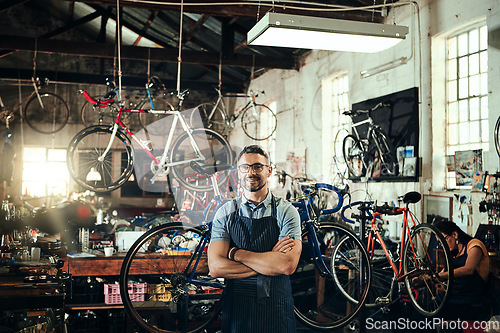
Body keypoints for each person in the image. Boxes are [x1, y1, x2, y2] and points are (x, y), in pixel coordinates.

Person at [208, 145, 302, 333]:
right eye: (245, 167)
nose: (251, 172)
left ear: (269, 171)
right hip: (238, 312)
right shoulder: (225, 213)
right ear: (238, 172)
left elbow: (286, 265)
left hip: (276, 309)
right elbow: (216, 267)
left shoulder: (286, 211)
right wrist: (269, 261)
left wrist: (237, 253)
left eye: (258, 167)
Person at [434, 220, 490, 321]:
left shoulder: (474, 245)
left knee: (429, 315)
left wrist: (439, 277)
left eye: (444, 240)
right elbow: (443, 273)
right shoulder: (455, 252)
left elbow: (468, 269)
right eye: (440, 242)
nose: (442, 245)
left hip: (469, 301)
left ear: (455, 234)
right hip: (455, 296)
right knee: (424, 307)